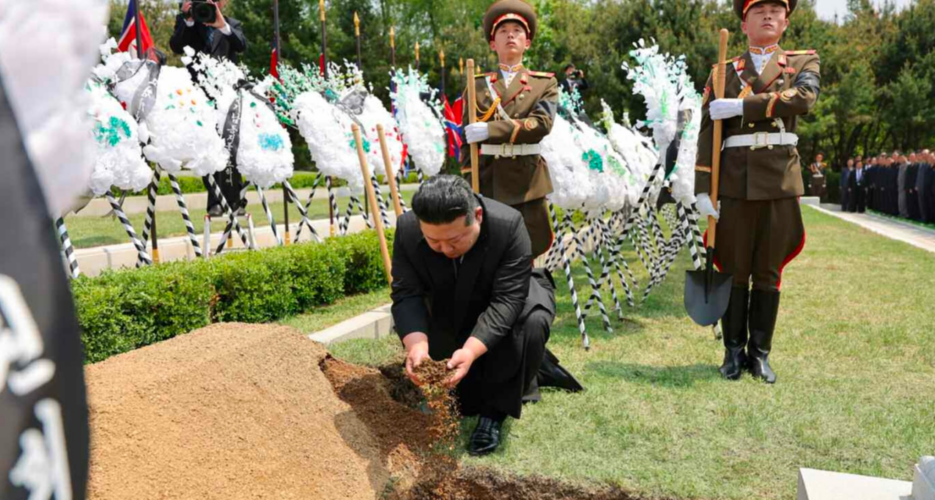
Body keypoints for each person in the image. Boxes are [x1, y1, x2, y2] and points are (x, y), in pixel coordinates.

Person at [390, 175, 582, 456]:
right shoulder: (407, 229)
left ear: (477, 216)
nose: (445, 250)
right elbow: (406, 294)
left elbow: (507, 300)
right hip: (448, 301)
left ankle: (494, 414)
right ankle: (531, 367)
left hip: (509, 297)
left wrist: (469, 350)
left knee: (531, 321)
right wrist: (417, 345)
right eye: (433, 241)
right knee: (464, 396)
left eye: (454, 240)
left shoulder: (509, 224)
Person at [694, 0, 819, 384]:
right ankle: (732, 352)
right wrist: (702, 188)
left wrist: (742, 105)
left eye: (776, 10)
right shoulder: (722, 71)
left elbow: (804, 98)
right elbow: (705, 135)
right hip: (734, 180)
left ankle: (759, 354)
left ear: (785, 21)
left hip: (780, 178)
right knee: (733, 268)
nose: (768, 15)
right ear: (744, 23)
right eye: (758, 10)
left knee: (768, 269)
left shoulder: (802, 62)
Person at [461, 0, 559, 260]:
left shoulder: (544, 84)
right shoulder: (477, 85)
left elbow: (542, 124)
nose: (510, 35)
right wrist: (469, 182)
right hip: (488, 181)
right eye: (503, 31)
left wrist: (490, 130)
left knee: (528, 249)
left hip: (527, 180)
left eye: (517, 30)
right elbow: (464, 141)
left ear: (527, 42)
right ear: (493, 44)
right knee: (490, 252)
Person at [169, 0, 248, 217]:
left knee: (231, 143)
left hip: (227, 95)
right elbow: (176, 46)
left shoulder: (232, 23)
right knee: (208, 146)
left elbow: (241, 45)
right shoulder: (188, 21)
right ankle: (214, 200)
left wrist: (221, 24)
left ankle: (236, 200)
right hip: (199, 97)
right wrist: (188, 19)